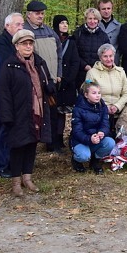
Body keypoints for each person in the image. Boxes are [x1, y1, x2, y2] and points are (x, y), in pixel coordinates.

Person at [0, 29, 54, 197]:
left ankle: (27, 178)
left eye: (30, 43)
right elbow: (4, 93)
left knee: (32, 144)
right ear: (16, 46)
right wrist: (7, 117)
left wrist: (50, 86)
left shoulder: (39, 62)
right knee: (18, 146)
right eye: (24, 44)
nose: (28, 47)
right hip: (18, 112)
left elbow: (47, 80)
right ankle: (16, 182)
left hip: (38, 110)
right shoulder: (9, 64)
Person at [0, 12, 24, 178]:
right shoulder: (1, 44)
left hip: (19, 95)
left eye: (22, 25)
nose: (20, 28)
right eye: (17, 25)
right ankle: (2, 165)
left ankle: (14, 163)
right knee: (4, 130)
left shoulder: (19, 44)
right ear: (7, 26)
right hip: (5, 94)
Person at [69, 81, 116, 174]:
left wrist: (102, 132)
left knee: (110, 143)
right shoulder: (78, 109)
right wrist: (89, 138)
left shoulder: (103, 107)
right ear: (86, 95)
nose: (98, 96)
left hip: (97, 139)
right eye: (94, 93)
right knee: (84, 156)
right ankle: (76, 161)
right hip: (80, 140)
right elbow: (77, 131)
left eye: (99, 93)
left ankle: (95, 160)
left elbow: (105, 124)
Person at [52, 15, 81, 152]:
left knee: (63, 112)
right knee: (53, 112)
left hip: (68, 84)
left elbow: (75, 62)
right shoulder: (51, 40)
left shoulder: (71, 42)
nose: (64, 25)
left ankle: (60, 138)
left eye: (66, 23)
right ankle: (52, 140)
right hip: (54, 82)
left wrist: (68, 79)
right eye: (62, 23)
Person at [23, 0, 62, 82]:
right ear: (29, 15)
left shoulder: (50, 32)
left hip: (52, 80)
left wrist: (59, 74)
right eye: (37, 13)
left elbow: (59, 54)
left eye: (42, 13)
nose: (40, 16)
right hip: (35, 81)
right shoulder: (24, 32)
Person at [72, 7, 110, 86]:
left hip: (98, 73)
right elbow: (74, 54)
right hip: (80, 74)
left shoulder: (103, 36)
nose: (92, 21)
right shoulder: (78, 33)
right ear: (86, 19)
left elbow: (107, 55)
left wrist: (97, 67)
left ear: (98, 20)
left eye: (95, 19)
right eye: (90, 18)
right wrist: (85, 66)